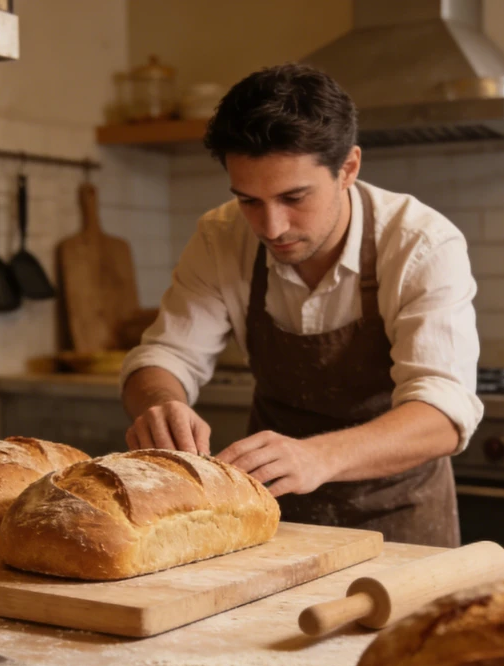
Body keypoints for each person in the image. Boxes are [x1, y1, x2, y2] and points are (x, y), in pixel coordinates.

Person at [119, 64, 482, 546]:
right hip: (273, 521)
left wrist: (319, 458)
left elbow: (443, 413)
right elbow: (163, 358)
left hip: (402, 523)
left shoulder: (422, 243)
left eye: (294, 197)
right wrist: (160, 404)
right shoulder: (220, 236)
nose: (270, 227)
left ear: (348, 168)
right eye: (249, 200)